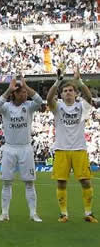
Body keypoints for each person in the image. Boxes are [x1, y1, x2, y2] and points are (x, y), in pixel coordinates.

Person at [47, 67, 97, 223]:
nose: (68, 92)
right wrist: (58, 81)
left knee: (85, 181)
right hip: (61, 149)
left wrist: (79, 81)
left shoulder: (81, 106)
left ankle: (88, 213)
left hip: (79, 149)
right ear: (61, 95)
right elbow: (49, 99)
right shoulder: (58, 107)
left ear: (76, 93)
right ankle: (64, 214)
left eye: (71, 90)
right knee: (61, 182)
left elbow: (89, 98)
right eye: (65, 91)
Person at [0, 76, 42, 222]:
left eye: (25, 93)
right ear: (14, 93)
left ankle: (33, 213)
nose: (24, 94)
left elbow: (39, 101)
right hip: (9, 148)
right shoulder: (7, 107)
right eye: (21, 92)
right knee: (7, 182)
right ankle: (4, 213)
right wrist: (9, 89)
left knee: (29, 182)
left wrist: (26, 86)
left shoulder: (28, 106)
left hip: (25, 148)